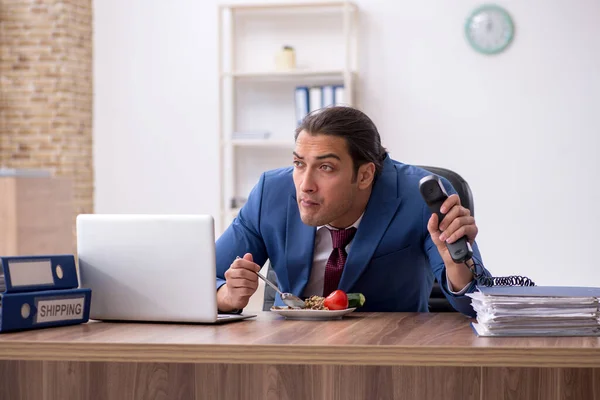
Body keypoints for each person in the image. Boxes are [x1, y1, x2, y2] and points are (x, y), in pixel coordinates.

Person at [215, 106, 491, 317]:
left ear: (365, 175)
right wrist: (227, 296)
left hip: (386, 355)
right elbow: (204, 278)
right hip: (289, 352)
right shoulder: (271, 192)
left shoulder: (421, 198)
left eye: (326, 168)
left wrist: (456, 265)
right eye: (299, 164)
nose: (305, 185)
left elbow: (477, 304)